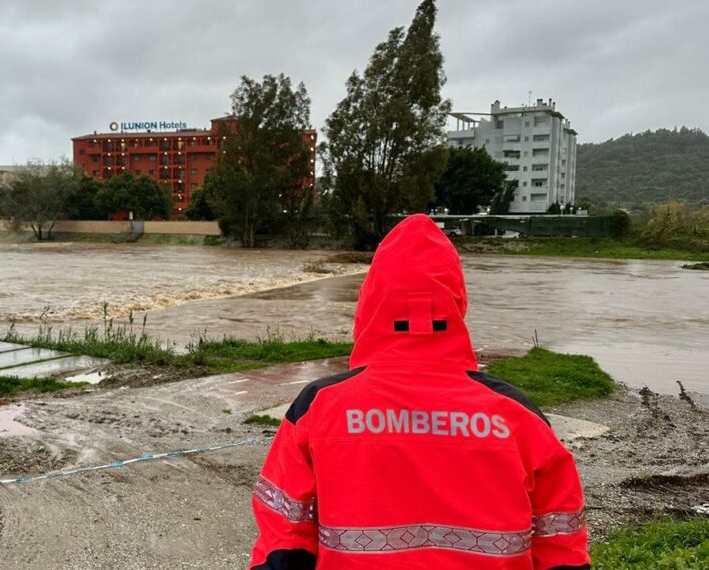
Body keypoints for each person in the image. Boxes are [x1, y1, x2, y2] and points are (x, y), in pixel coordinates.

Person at [248, 214, 589, 569]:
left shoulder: (318, 407)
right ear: (456, 303)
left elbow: (283, 539)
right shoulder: (518, 415)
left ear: (371, 302)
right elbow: (561, 544)